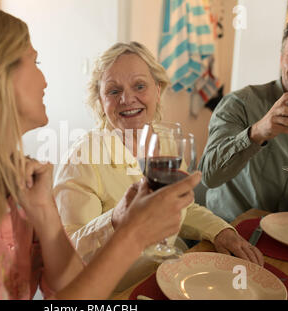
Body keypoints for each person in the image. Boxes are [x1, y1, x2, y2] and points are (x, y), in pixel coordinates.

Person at [0, 5, 201, 300]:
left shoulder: (15, 183)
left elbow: (67, 293)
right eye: (34, 61)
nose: (44, 80)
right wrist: (133, 234)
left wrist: (46, 214)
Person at [53, 42, 263, 292]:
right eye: (113, 90)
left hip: (169, 278)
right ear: (100, 99)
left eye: (139, 86)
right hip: (118, 293)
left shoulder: (166, 141)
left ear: (158, 90)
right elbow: (66, 254)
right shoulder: (82, 157)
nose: (127, 98)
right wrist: (116, 220)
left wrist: (219, 231)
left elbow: (181, 206)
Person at [198, 13, 288, 222]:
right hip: (230, 233)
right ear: (281, 58)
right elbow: (209, 176)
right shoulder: (240, 103)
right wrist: (257, 133)